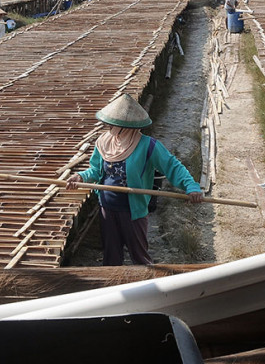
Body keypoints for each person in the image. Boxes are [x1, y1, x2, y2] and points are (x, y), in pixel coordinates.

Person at [66, 94, 202, 266]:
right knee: (111, 257)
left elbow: (172, 166)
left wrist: (191, 187)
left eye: (113, 125)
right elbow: (95, 169)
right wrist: (80, 176)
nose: (110, 128)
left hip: (132, 211)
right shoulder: (104, 142)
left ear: (125, 127)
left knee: (139, 257)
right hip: (107, 208)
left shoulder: (147, 146)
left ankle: (148, 288)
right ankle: (114, 289)